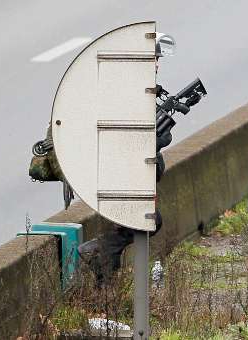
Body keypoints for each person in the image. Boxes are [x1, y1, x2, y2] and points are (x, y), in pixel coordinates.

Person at [77, 34, 180, 284]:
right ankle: (97, 258)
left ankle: (105, 288)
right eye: (153, 59)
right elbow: (124, 136)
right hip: (119, 172)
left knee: (140, 222)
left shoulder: (135, 87)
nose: (156, 64)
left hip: (127, 171)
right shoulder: (126, 90)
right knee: (145, 220)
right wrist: (150, 141)